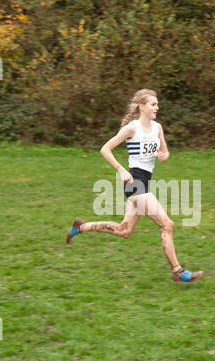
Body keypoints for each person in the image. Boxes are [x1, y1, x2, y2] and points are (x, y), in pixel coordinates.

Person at [66, 89, 203, 282]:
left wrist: (164, 155)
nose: (157, 107)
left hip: (145, 182)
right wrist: (121, 169)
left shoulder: (158, 128)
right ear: (142, 106)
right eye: (153, 104)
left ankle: (81, 227)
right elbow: (105, 149)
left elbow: (165, 151)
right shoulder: (131, 129)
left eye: (157, 104)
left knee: (124, 230)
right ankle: (177, 271)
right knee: (167, 224)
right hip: (134, 183)